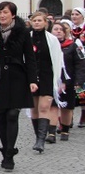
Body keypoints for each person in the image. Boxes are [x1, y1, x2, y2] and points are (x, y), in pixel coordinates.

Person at [0, 1, 37, 170]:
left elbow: (29, 57)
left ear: (13, 15)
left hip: (17, 76)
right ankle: (4, 148)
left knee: (13, 114)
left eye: (5, 12)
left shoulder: (22, 31)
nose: (2, 15)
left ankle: (10, 152)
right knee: (1, 114)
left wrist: (32, 80)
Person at [29, 11, 65, 151]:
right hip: (31, 77)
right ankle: (38, 135)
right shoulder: (28, 37)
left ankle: (41, 140)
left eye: (39, 20)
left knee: (44, 107)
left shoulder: (52, 39)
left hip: (47, 75)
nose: (37, 23)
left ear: (45, 22)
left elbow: (57, 59)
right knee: (34, 108)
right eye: (34, 20)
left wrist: (58, 79)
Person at [52, 22, 85, 140]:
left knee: (67, 107)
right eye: (56, 29)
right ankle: (51, 132)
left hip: (69, 81)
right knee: (52, 106)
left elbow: (80, 64)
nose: (58, 31)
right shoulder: (48, 45)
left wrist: (79, 82)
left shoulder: (72, 46)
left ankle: (65, 129)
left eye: (61, 29)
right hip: (52, 81)